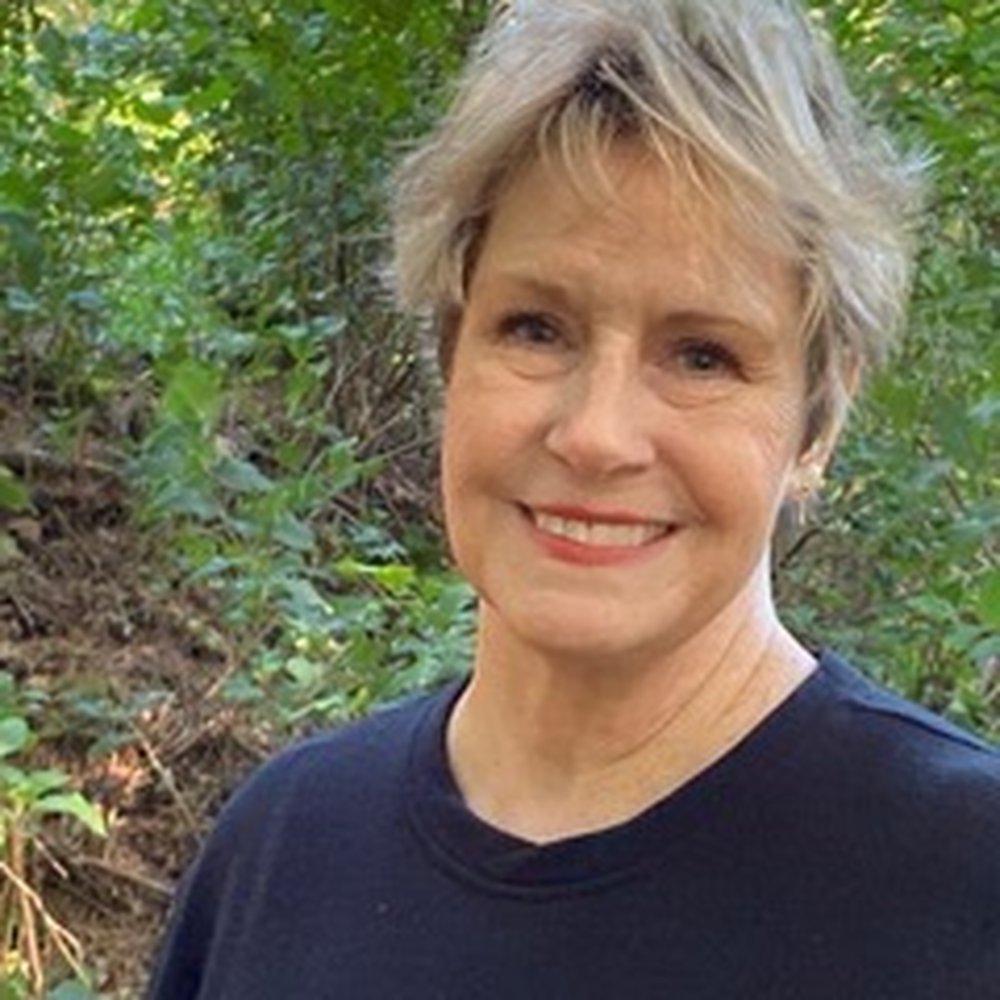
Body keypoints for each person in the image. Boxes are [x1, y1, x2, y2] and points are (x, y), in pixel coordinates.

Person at [147, 1, 1000, 997]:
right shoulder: (284, 851)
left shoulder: (963, 886)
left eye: (701, 355)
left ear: (818, 417)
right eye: (535, 329)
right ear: (449, 350)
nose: (596, 434)